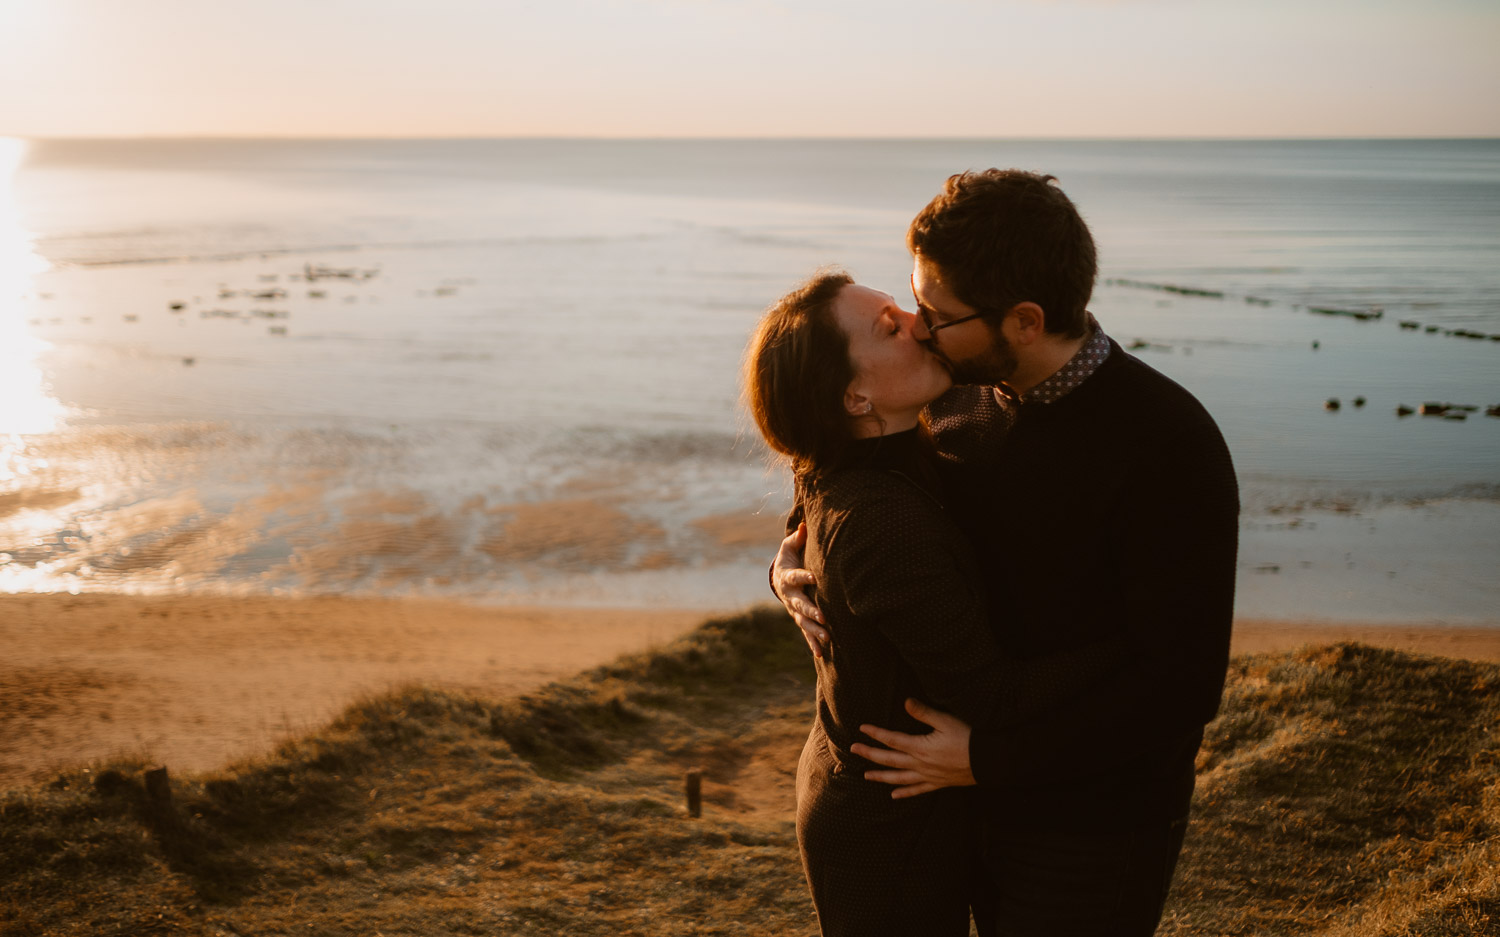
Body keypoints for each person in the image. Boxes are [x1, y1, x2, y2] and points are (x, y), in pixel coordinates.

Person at [772, 169, 1240, 936]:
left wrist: (989, 757)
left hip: (1090, 825)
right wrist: (792, 567)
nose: (919, 326)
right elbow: (838, 468)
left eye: (936, 312)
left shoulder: (1167, 445)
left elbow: (1181, 687)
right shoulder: (950, 393)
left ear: (1023, 320)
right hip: (959, 802)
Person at [745, 270, 1011, 935]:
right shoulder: (882, 522)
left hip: (868, 790)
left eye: (901, 306)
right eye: (889, 326)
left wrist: (785, 561)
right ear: (855, 395)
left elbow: (807, 504)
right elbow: (983, 690)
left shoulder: (857, 455)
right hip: (885, 831)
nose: (919, 322)